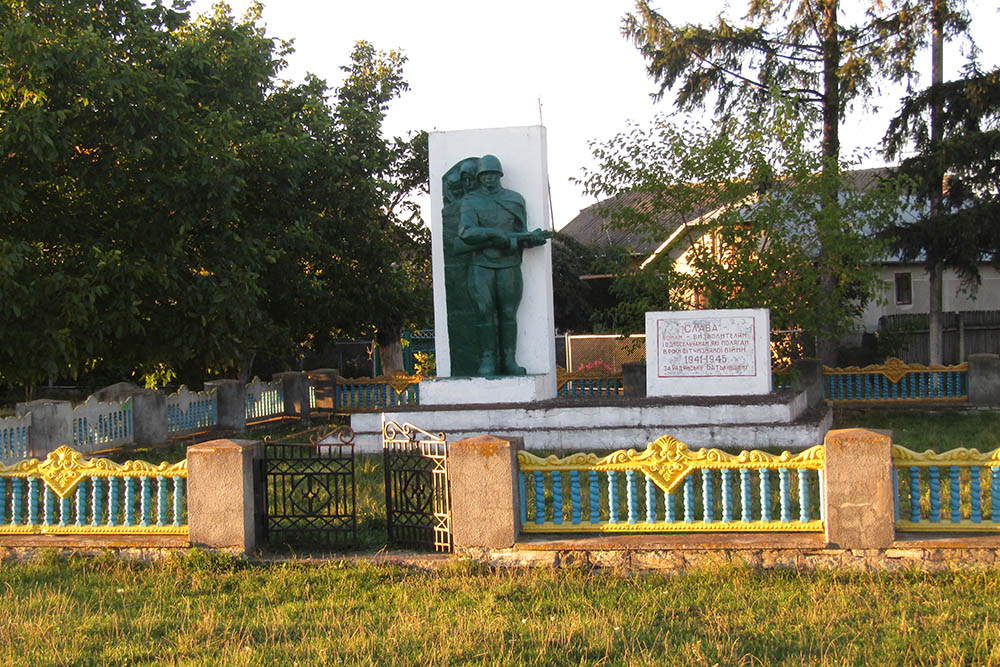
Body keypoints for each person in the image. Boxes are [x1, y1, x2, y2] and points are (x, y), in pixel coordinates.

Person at [458, 155, 551, 375]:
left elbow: (521, 234)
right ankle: (488, 360)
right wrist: (494, 234)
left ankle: (509, 360)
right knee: (484, 311)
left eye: (492, 174)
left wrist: (532, 238)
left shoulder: (514, 199)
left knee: (509, 312)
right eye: (484, 175)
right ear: (480, 177)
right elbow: (466, 232)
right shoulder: (470, 201)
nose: (489, 179)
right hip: (481, 264)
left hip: (509, 263)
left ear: (499, 175)